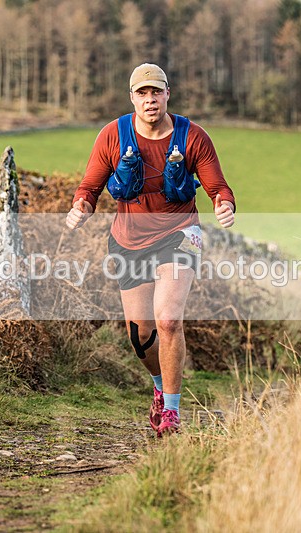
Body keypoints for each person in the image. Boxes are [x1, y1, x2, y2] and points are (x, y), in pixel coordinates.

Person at [65, 63, 235, 436]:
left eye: (156, 92)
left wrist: (224, 203)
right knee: (140, 336)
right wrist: (81, 206)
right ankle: (159, 386)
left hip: (179, 234)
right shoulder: (113, 135)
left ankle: (172, 412)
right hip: (128, 241)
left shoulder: (193, 136)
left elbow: (217, 186)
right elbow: (89, 187)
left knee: (169, 319)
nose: (150, 100)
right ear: (132, 98)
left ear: (167, 94)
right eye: (142, 94)